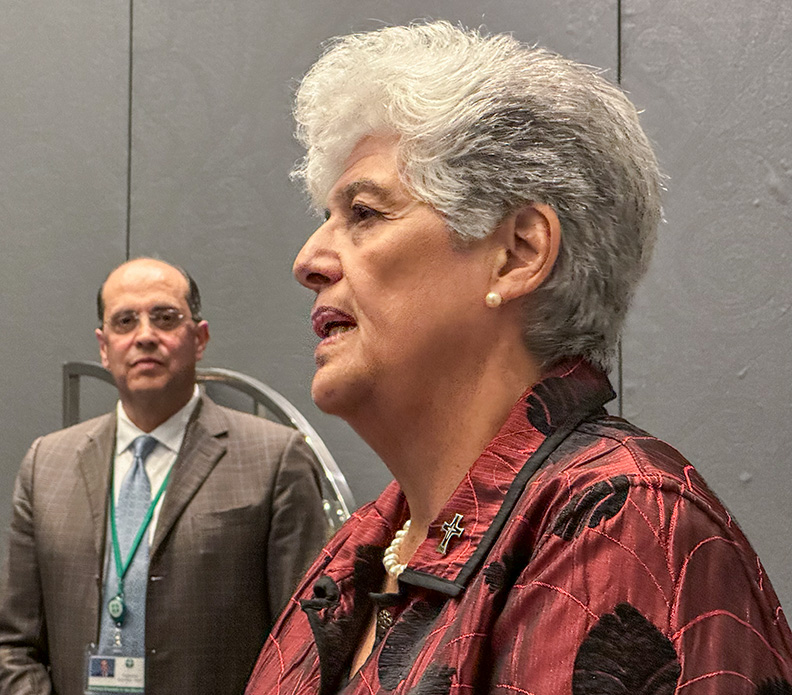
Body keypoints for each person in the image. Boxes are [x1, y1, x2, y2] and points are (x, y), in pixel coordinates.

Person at [245, 21, 792, 695]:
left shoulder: (621, 518)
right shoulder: (364, 541)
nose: (308, 260)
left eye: (363, 213)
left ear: (520, 251)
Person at [0, 258, 328, 695]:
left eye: (165, 318)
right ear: (104, 347)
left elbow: (302, 650)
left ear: (199, 338)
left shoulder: (275, 458)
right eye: (125, 321)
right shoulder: (46, 463)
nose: (145, 335)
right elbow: (11, 645)